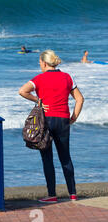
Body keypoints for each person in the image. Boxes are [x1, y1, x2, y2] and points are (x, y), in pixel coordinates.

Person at [19, 50, 84, 203]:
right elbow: (80, 99)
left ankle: (52, 195)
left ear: (44, 63)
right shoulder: (67, 77)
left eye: (40, 63)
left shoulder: (40, 78)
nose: (40, 66)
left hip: (46, 121)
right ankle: (73, 194)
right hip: (62, 120)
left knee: (47, 158)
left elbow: (22, 91)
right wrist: (73, 118)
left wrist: (38, 100)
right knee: (65, 157)